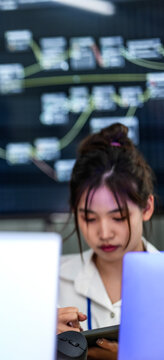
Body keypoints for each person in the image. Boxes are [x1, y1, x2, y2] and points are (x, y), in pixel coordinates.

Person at [56, 123, 159, 359]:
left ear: (147, 207)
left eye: (118, 217)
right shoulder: (47, 282)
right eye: (89, 218)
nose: (104, 233)